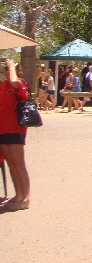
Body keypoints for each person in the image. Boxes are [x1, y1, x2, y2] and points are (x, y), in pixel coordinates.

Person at [0, 58, 31, 211]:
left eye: (8, 69)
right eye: (4, 69)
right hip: (2, 129)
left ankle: (25, 198)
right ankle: (18, 195)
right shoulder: (3, 85)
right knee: (11, 164)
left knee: (19, 164)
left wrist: (12, 67)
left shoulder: (19, 83)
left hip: (15, 129)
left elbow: (14, 81)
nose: (6, 72)